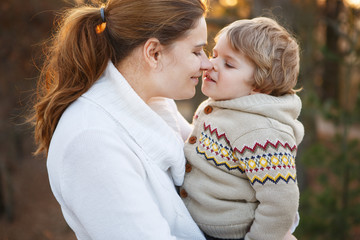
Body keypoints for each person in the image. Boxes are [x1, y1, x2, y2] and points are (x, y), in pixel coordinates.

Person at [30, 0, 213, 239]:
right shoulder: (90, 140)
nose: (207, 64)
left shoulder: (155, 102)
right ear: (154, 53)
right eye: (197, 51)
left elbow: (211, 166)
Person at [180, 17, 304, 240]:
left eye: (228, 64)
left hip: (228, 234)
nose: (211, 64)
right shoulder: (222, 104)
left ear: (258, 86)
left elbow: (281, 201)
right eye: (214, 54)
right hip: (197, 223)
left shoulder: (262, 133)